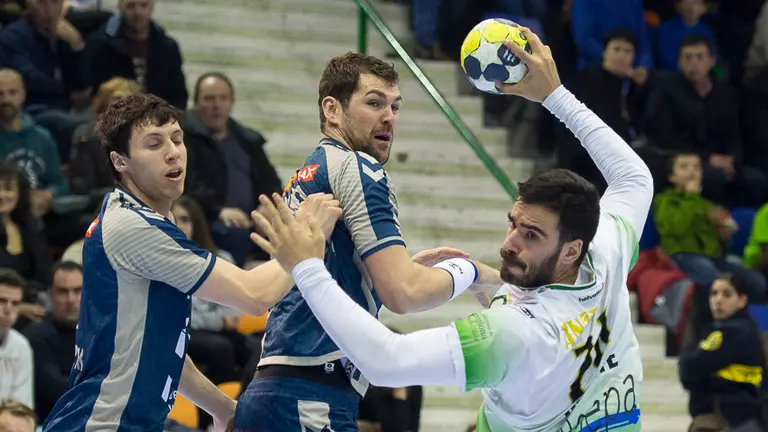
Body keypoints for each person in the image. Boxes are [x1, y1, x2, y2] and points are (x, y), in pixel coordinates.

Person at [250, 27, 653, 432]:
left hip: (298, 393)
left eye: (531, 235)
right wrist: (554, 95)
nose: (509, 243)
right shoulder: (606, 251)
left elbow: (390, 349)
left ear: (572, 250)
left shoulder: (515, 332)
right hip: (306, 393)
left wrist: (466, 271)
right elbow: (634, 178)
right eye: (512, 224)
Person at [42, 94, 342, 432]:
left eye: (177, 138)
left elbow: (156, 347)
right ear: (120, 161)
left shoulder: (135, 217)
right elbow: (255, 296)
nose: (173, 152)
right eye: (154, 143)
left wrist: (221, 407)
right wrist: (310, 233)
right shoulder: (133, 227)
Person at [233, 52, 496, 432]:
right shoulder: (357, 166)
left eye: (395, 106)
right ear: (332, 110)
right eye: (374, 103)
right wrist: (474, 273)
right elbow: (403, 293)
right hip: (310, 394)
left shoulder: (311, 170)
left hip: (282, 390)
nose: (389, 116)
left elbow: (328, 279)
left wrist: (374, 276)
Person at [679, 274, 766, 431]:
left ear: (742, 300)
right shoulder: (716, 329)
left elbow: (690, 368)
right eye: (714, 294)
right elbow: (689, 370)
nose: (718, 300)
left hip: (732, 420)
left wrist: (700, 374)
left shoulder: (737, 332)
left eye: (727, 294)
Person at [23, 261, 83, 424]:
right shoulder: (36, 336)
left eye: (77, 290)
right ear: (50, 294)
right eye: (63, 292)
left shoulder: (100, 334)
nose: (71, 299)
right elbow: (58, 392)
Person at [0, 268, 33, 408]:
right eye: (2, 301)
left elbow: (21, 407)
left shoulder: (21, 346)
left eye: (15, 303)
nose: (8, 310)